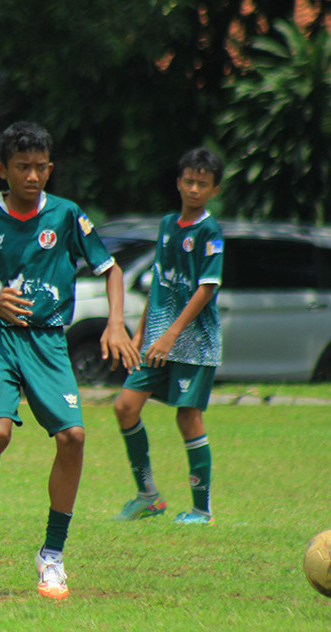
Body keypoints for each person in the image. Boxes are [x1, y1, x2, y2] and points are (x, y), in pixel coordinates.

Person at [0, 121, 140, 600]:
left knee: (73, 437)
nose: (32, 176)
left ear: (50, 169)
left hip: (48, 342)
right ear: (2, 170)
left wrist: (115, 322)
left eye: (40, 167)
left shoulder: (68, 216)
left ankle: (52, 554)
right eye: (22, 167)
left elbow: (110, 271)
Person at [111, 147, 224, 526]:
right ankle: (148, 496)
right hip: (158, 339)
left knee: (188, 418)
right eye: (189, 181)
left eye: (202, 184)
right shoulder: (166, 225)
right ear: (178, 183)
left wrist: (171, 335)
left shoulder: (210, 232)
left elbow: (206, 288)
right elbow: (161, 282)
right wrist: (142, 332)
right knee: (125, 405)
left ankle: (201, 510)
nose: (194, 188)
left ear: (214, 190)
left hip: (193, 343)